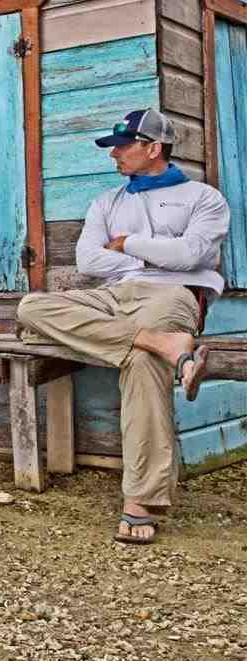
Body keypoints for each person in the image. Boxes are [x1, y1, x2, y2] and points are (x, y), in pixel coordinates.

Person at [16, 108, 230, 545]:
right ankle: (161, 343)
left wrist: (128, 243)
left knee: (143, 366)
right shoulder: (107, 201)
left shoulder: (203, 198)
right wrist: (153, 255)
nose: (114, 155)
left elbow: (191, 257)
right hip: (114, 296)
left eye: (123, 146)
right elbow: (88, 260)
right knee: (31, 309)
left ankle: (140, 500)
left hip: (173, 294)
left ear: (153, 148)